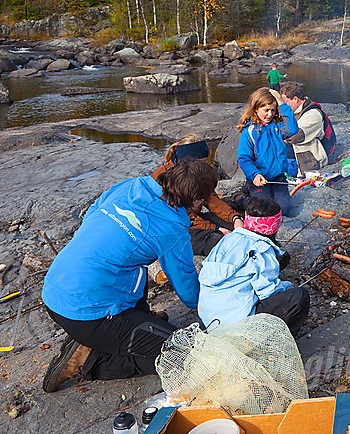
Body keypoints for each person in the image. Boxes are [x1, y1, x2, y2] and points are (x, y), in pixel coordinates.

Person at [41, 159, 218, 393]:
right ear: (196, 200)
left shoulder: (132, 186)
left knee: (132, 265)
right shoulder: (171, 228)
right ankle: (91, 360)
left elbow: (92, 213)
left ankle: (138, 319)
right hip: (88, 316)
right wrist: (215, 308)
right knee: (182, 353)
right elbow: (188, 291)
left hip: (53, 291)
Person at [198, 197, 310, 336]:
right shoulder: (262, 249)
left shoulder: (229, 238)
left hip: (209, 318)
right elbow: (268, 292)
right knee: (300, 296)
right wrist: (288, 287)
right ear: (274, 227)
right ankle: (276, 342)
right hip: (236, 326)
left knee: (281, 258)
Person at [151, 135, 244, 256]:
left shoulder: (199, 174)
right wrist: (215, 228)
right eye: (201, 162)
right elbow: (181, 216)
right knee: (216, 239)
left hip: (194, 218)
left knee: (238, 222)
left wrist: (234, 218)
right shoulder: (162, 178)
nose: (204, 166)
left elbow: (212, 200)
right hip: (173, 227)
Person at [237, 87, 298, 214]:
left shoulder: (277, 127)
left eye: (273, 110)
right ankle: (243, 199)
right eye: (266, 110)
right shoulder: (248, 132)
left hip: (278, 179)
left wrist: (281, 102)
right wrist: (254, 174)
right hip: (259, 180)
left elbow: (292, 129)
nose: (270, 114)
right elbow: (244, 158)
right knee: (264, 210)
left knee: (284, 209)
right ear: (256, 109)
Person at [276, 82, 335, 173]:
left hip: (309, 161)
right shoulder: (295, 111)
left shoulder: (313, 114)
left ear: (295, 99)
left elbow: (294, 135)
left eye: (285, 102)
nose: (283, 106)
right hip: (294, 154)